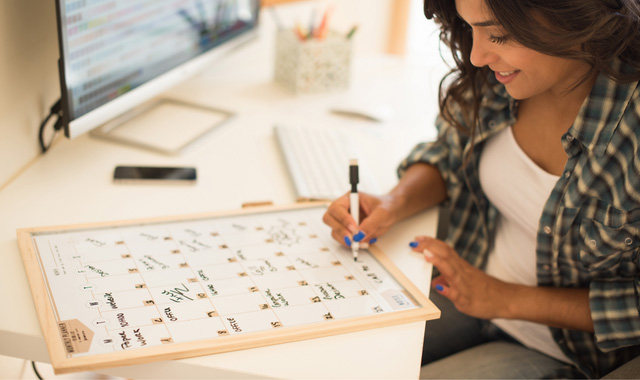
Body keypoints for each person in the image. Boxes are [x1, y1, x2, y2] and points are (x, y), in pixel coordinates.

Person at [322, 0, 640, 378]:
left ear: (575, 16)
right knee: (332, 355)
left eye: (499, 34)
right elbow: (448, 154)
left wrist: (503, 298)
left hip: (564, 350)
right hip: (468, 280)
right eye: (469, 28)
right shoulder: (501, 77)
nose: (476, 56)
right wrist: (394, 201)